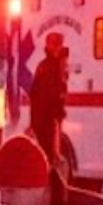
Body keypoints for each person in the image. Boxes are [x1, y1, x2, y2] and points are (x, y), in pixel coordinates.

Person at [29, 32, 69, 165]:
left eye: (59, 44)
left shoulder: (54, 66)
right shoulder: (47, 67)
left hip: (50, 120)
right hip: (47, 121)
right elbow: (40, 97)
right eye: (56, 44)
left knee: (51, 156)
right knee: (48, 157)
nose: (58, 47)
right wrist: (38, 123)